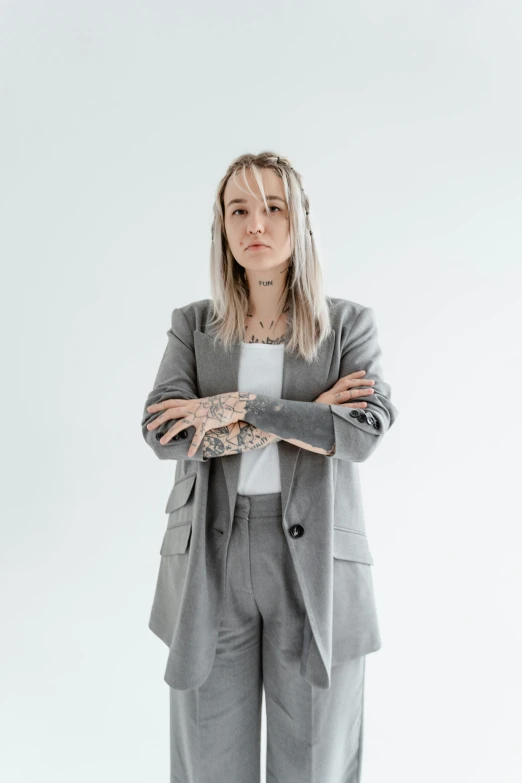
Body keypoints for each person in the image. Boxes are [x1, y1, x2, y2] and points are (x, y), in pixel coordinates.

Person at [141, 152, 399, 782]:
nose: (256, 222)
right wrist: (305, 416)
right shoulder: (192, 327)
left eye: (273, 207)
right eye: (239, 209)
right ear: (222, 227)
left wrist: (237, 407)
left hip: (317, 567)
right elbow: (165, 432)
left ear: (300, 221)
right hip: (211, 560)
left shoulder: (346, 326)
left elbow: (358, 437)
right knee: (209, 763)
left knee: (316, 762)